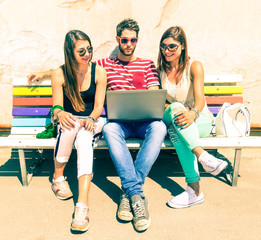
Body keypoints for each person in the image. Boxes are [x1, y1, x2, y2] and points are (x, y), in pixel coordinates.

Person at [28, 30, 107, 232]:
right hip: (72, 121)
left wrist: (91, 118)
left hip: (93, 120)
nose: (87, 54)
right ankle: (58, 178)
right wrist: (60, 114)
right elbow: (57, 106)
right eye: (81, 51)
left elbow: (98, 106)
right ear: (70, 53)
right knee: (69, 126)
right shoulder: (60, 74)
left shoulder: (98, 72)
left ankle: (82, 206)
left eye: (89, 49)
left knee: (84, 138)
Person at [97, 19, 167, 232]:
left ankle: (129, 192)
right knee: (109, 129)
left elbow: (154, 91)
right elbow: (75, 69)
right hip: (120, 123)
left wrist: (152, 96)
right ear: (118, 39)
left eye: (133, 40)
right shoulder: (103, 65)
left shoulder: (147, 65)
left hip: (146, 121)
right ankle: (136, 195)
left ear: (137, 40)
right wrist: (47, 75)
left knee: (160, 128)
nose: (129, 44)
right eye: (125, 40)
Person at [157, 26, 228, 209]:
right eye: (163, 46)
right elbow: (158, 102)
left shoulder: (194, 66)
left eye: (172, 46)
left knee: (176, 132)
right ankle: (203, 156)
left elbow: (200, 99)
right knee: (176, 109)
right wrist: (178, 109)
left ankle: (194, 191)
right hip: (174, 115)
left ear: (182, 46)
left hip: (198, 118)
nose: (167, 51)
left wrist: (192, 113)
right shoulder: (160, 70)